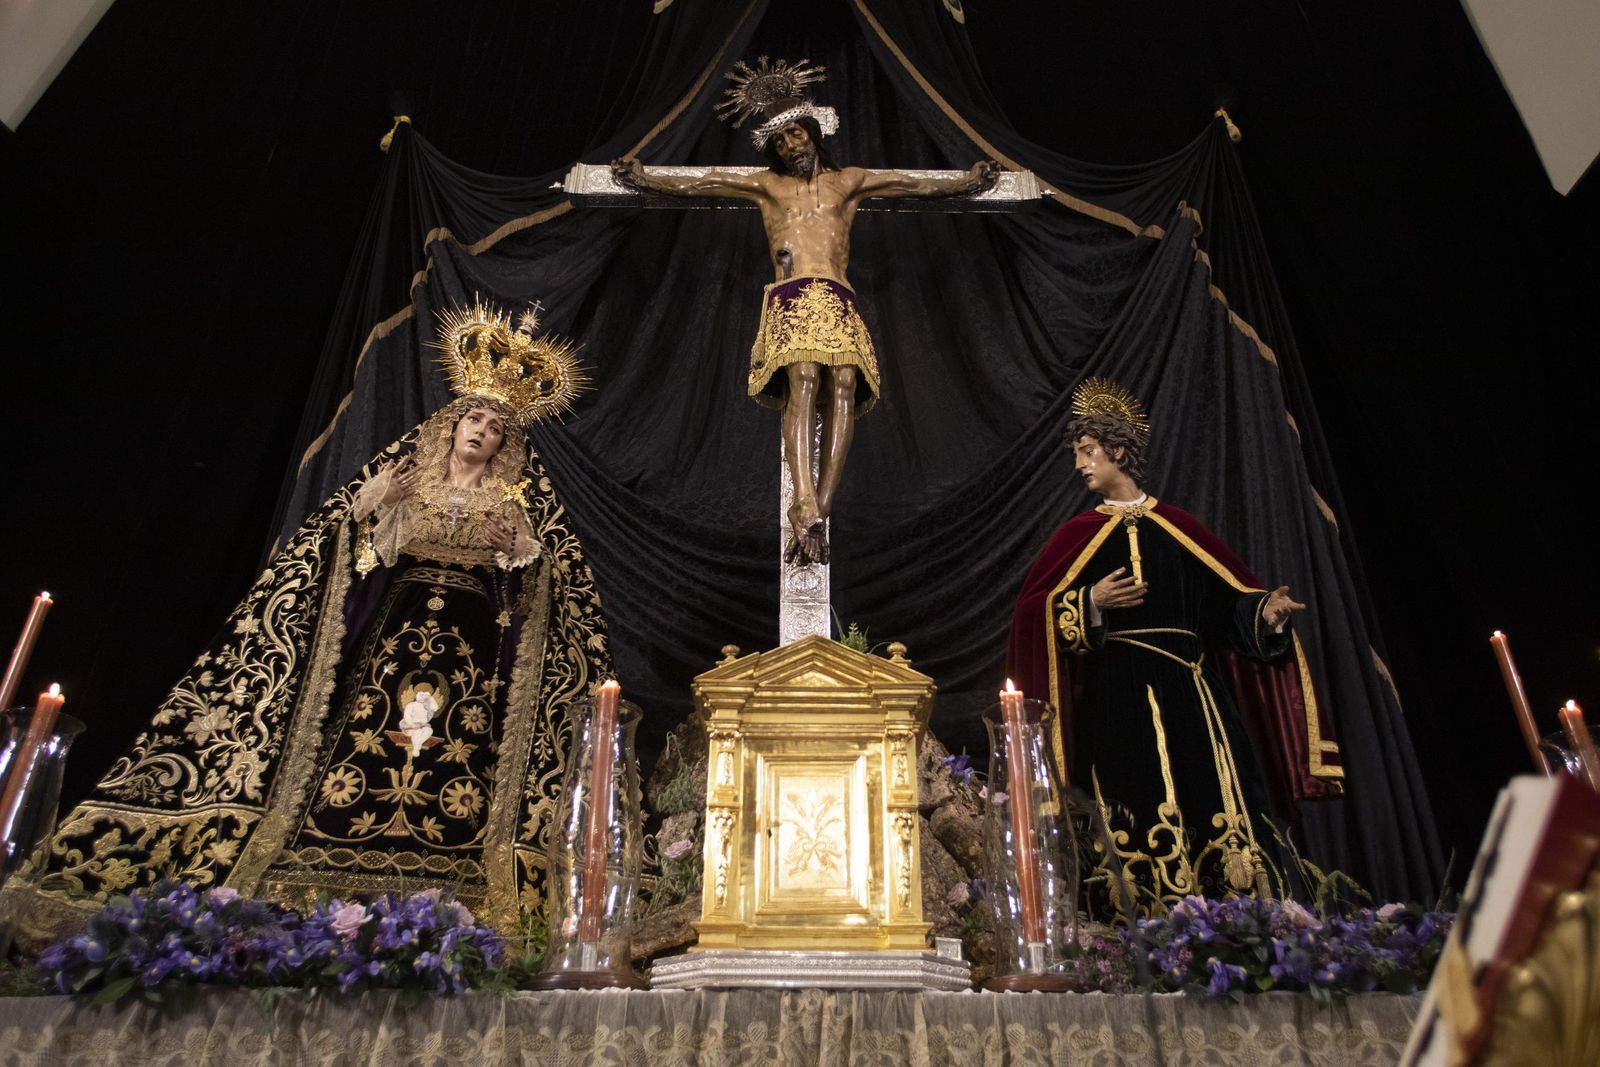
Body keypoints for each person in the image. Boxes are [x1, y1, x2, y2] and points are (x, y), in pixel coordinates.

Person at [3, 302, 611, 945]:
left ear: (504, 446)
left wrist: (516, 553)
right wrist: (379, 510)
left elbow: (540, 590)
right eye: (475, 418)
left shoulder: (513, 502)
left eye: (494, 428)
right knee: (363, 734)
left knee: (457, 748)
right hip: (391, 637)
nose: (481, 431)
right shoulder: (402, 479)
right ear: (453, 424)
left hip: (470, 647)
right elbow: (348, 558)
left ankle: (453, 881)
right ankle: (315, 868)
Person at [613, 58, 997, 564]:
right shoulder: (769, 187)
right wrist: (646, 180)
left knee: (843, 384)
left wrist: (966, 183)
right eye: (781, 141)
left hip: (838, 295)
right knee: (805, 378)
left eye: (796, 134)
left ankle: (819, 509)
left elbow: (912, 184)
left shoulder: (849, 182)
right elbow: (702, 183)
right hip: (793, 294)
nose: (791, 145)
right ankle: (801, 497)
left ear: (813, 133)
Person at [1006, 378, 1343, 918]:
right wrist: (1090, 600)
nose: (1080, 465)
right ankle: (1137, 927)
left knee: (1211, 795)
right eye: (1077, 454)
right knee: (1130, 798)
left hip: (1192, 694)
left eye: (1088, 452)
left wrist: (1265, 614)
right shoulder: (1076, 536)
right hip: (1119, 697)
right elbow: (1032, 614)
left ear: (1117, 450)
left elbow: (1224, 607)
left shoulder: (1179, 528)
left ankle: (1237, 924)